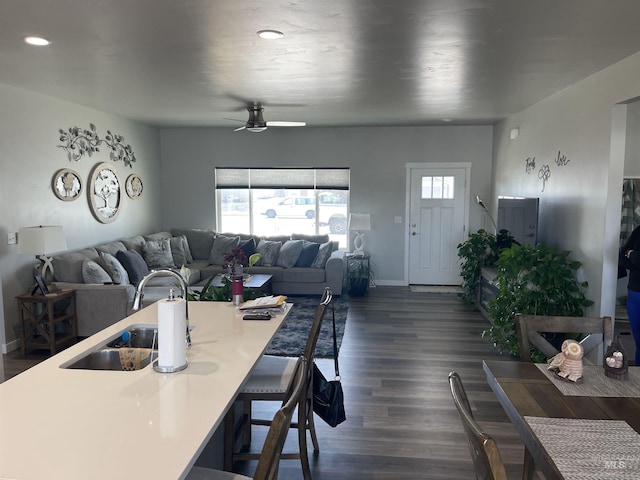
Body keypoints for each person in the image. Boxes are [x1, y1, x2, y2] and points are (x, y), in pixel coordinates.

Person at [620, 225, 640, 365]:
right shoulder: (639, 231)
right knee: (639, 341)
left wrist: (634, 255)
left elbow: (631, 256)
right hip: (635, 293)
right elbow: (622, 256)